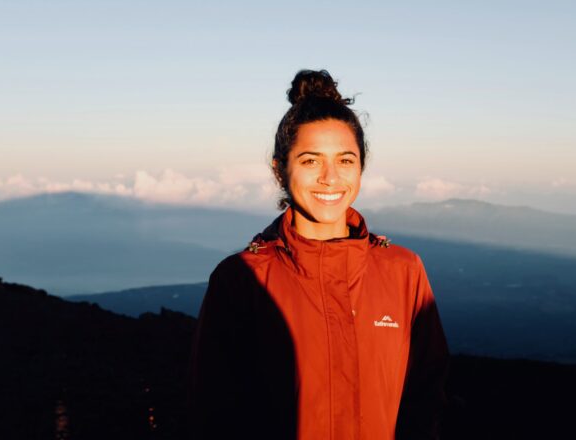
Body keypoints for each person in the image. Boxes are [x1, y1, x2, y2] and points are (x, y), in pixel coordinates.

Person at [188, 70, 449, 439]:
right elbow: (215, 412)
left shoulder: (403, 272)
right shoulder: (242, 280)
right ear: (281, 170)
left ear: (361, 166)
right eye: (311, 161)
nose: (330, 177)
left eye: (345, 160)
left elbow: (427, 398)